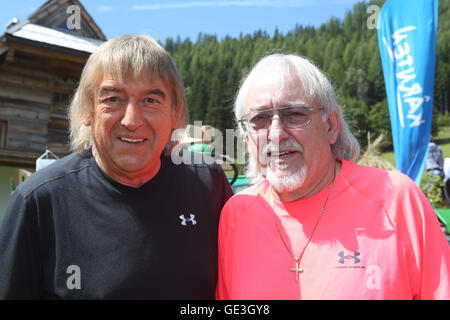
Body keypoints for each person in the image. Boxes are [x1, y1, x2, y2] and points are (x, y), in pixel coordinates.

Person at [0, 35, 233, 299]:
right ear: (88, 109)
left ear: (174, 113)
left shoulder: (209, 184)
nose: (132, 120)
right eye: (112, 99)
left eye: (150, 101)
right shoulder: (39, 201)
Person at [216, 53, 450, 299]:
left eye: (295, 114)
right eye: (259, 119)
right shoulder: (235, 216)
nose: (276, 134)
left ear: (331, 125)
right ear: (246, 137)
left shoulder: (397, 198)